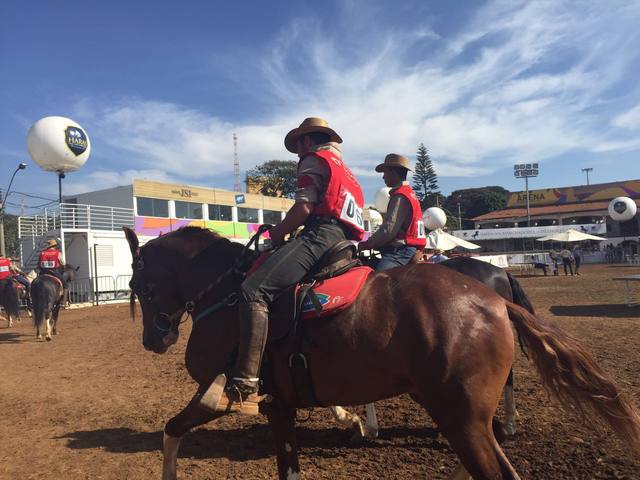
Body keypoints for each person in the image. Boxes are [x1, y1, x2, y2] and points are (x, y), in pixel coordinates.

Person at [199, 117, 365, 415]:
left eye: (298, 145)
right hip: (345, 240)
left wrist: (275, 235)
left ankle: (245, 385)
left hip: (320, 235)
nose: (298, 153)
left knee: (253, 290)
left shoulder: (314, 160)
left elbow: (304, 207)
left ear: (305, 140)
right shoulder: (347, 172)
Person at [357, 154, 426, 271]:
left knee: (378, 281)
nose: (383, 177)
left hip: (400, 251)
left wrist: (367, 244)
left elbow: (388, 229)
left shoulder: (400, 195)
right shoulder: (410, 194)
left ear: (393, 172)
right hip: (411, 249)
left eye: (385, 173)